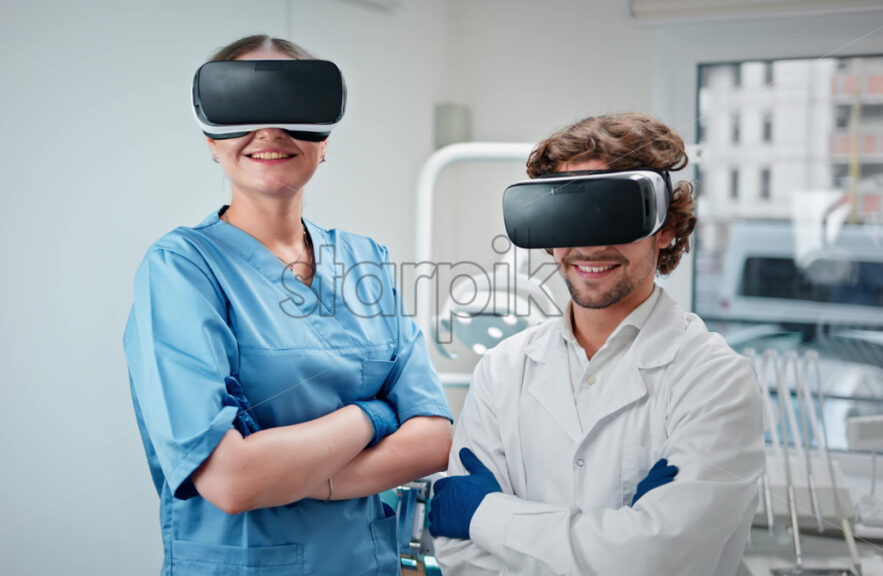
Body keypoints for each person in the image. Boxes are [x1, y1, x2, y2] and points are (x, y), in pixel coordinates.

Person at [123, 34, 453, 575]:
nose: (269, 132)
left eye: (294, 109)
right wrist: (374, 414)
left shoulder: (364, 259)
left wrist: (307, 477)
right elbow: (231, 480)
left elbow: (434, 436)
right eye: (243, 109)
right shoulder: (182, 268)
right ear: (211, 139)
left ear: (325, 139)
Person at [429, 113, 765, 575]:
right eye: (569, 215)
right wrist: (618, 541)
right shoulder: (502, 369)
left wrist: (485, 515)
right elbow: (458, 554)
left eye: (617, 214)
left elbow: (658, 560)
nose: (590, 245)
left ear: (666, 228)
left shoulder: (715, 379)